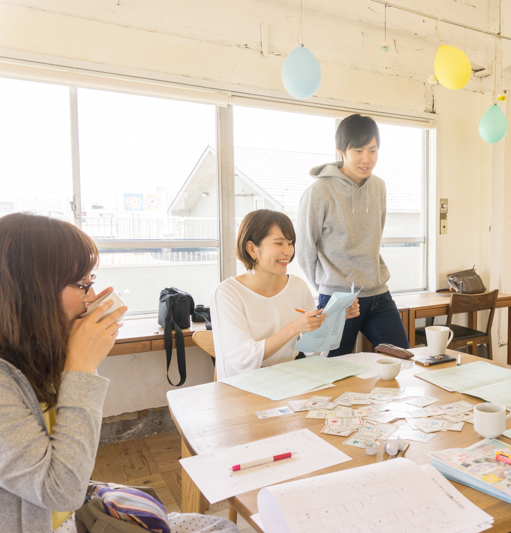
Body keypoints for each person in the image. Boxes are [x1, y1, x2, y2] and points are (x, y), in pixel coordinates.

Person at [0, 213, 239, 533]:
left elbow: (74, 455)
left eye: (92, 281)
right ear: (32, 290)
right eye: (82, 284)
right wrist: (81, 365)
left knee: (221, 527)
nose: (92, 297)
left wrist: (79, 357)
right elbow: (61, 491)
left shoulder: (37, 355)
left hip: (75, 513)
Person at [296, 114, 409, 356]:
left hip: (378, 294)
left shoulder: (379, 186)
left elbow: (375, 235)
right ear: (341, 151)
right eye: (358, 150)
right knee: (333, 370)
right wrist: (328, 286)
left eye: (373, 150)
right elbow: (305, 249)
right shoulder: (319, 191)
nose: (366, 159)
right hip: (338, 298)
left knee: (402, 359)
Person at [211, 210, 359, 379]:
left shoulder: (297, 286)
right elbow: (243, 358)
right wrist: (293, 328)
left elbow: (313, 352)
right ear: (252, 249)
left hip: (287, 379)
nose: (288, 251)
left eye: (290, 243)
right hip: (242, 385)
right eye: (279, 243)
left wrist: (336, 318)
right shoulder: (226, 293)